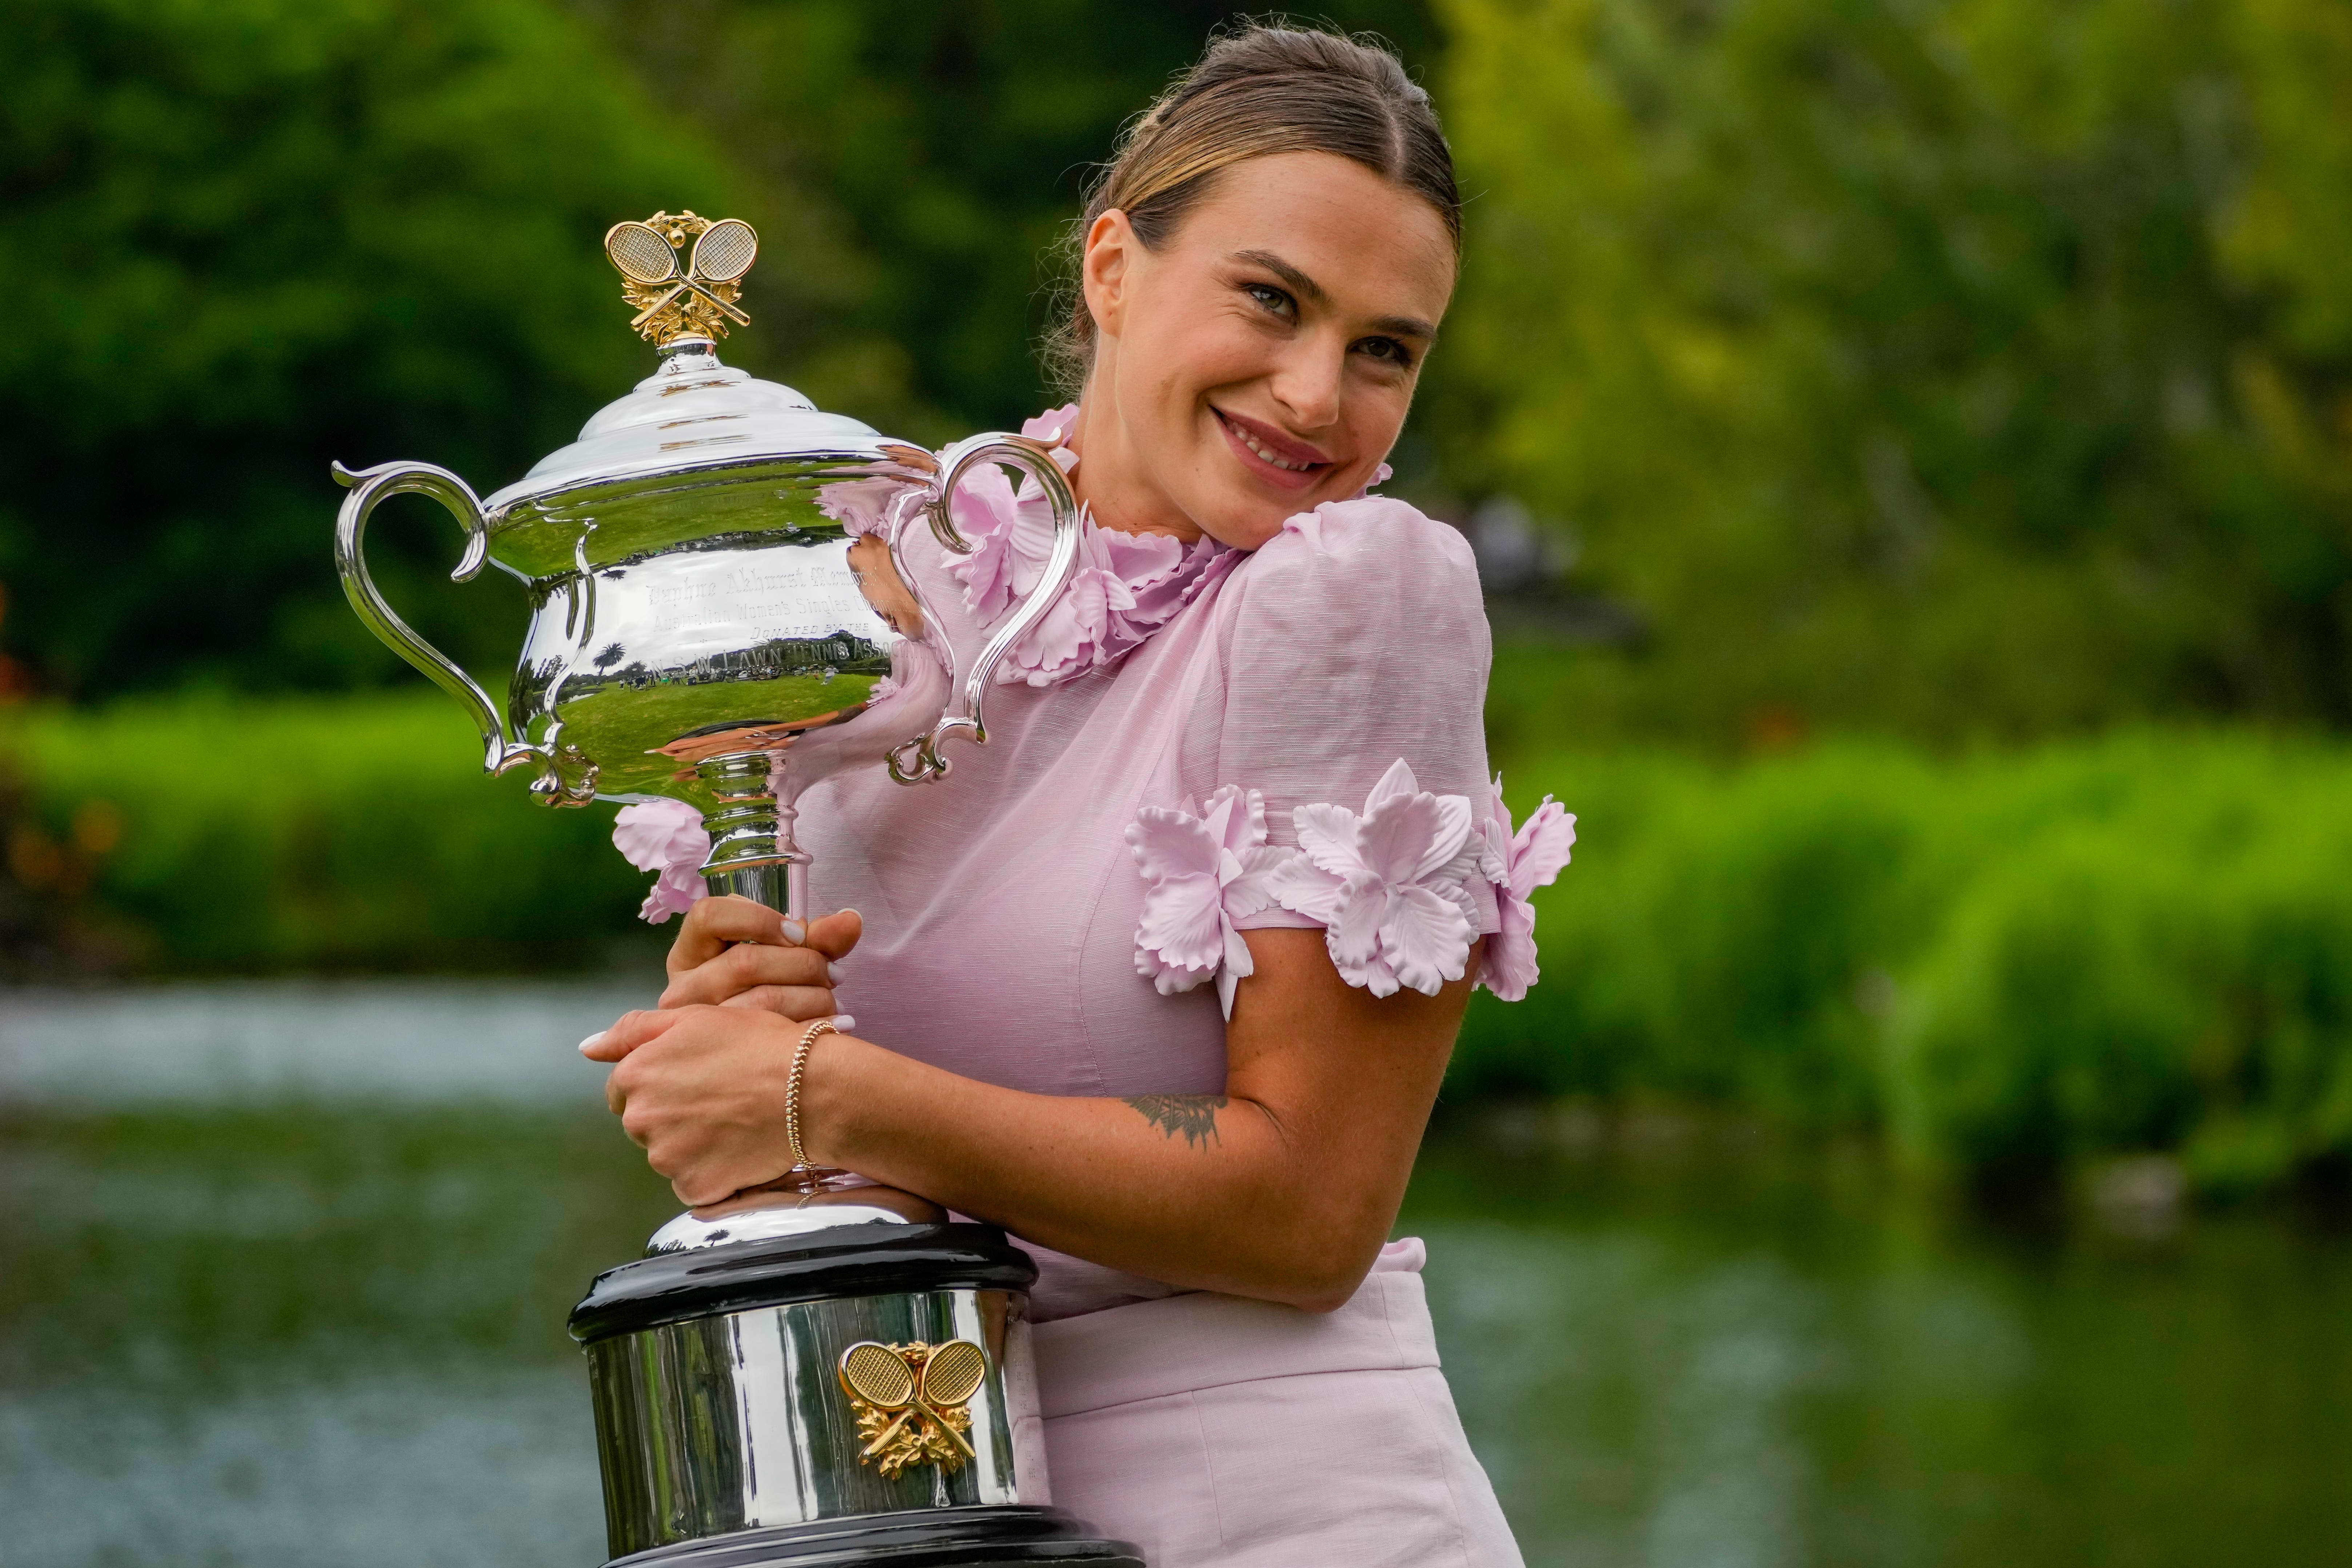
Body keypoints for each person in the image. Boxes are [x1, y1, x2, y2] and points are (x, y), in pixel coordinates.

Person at [584, 24, 1574, 1566]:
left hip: (1286, 1518)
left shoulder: (1354, 595)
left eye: (1386, 348)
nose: (1318, 393)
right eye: (1272, 300)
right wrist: (742, 1049)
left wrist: (827, 1093)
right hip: (926, 1507)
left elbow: (1309, 1211)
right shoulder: (896, 584)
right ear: (1112, 264)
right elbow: (873, 1136)